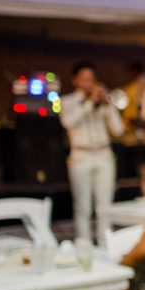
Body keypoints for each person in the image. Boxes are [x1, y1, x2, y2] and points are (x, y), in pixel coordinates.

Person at [59, 61, 125, 243]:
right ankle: (84, 247)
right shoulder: (68, 102)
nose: (89, 83)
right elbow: (67, 122)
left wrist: (108, 105)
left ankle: (106, 246)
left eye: (92, 79)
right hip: (81, 157)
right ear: (75, 80)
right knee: (83, 207)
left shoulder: (103, 103)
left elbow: (118, 130)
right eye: (85, 79)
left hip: (103, 155)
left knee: (104, 207)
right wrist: (90, 103)